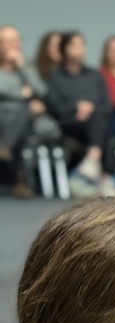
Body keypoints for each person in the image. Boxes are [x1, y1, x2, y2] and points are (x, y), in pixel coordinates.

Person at [45, 31, 115, 197]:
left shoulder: (94, 75)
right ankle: (104, 178)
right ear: (64, 49)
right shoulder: (56, 76)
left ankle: (93, 159)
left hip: (95, 122)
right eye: (74, 44)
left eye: (82, 44)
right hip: (70, 124)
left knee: (99, 118)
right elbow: (53, 105)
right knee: (103, 128)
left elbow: (107, 104)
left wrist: (91, 108)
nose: (80, 49)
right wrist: (76, 107)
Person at [0, 25, 50, 197]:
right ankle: (19, 179)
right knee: (17, 108)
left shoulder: (26, 68)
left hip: (25, 122)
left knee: (22, 112)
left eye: (17, 40)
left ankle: (5, 148)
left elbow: (42, 91)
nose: (15, 45)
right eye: (9, 41)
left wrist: (24, 67)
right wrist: (20, 94)